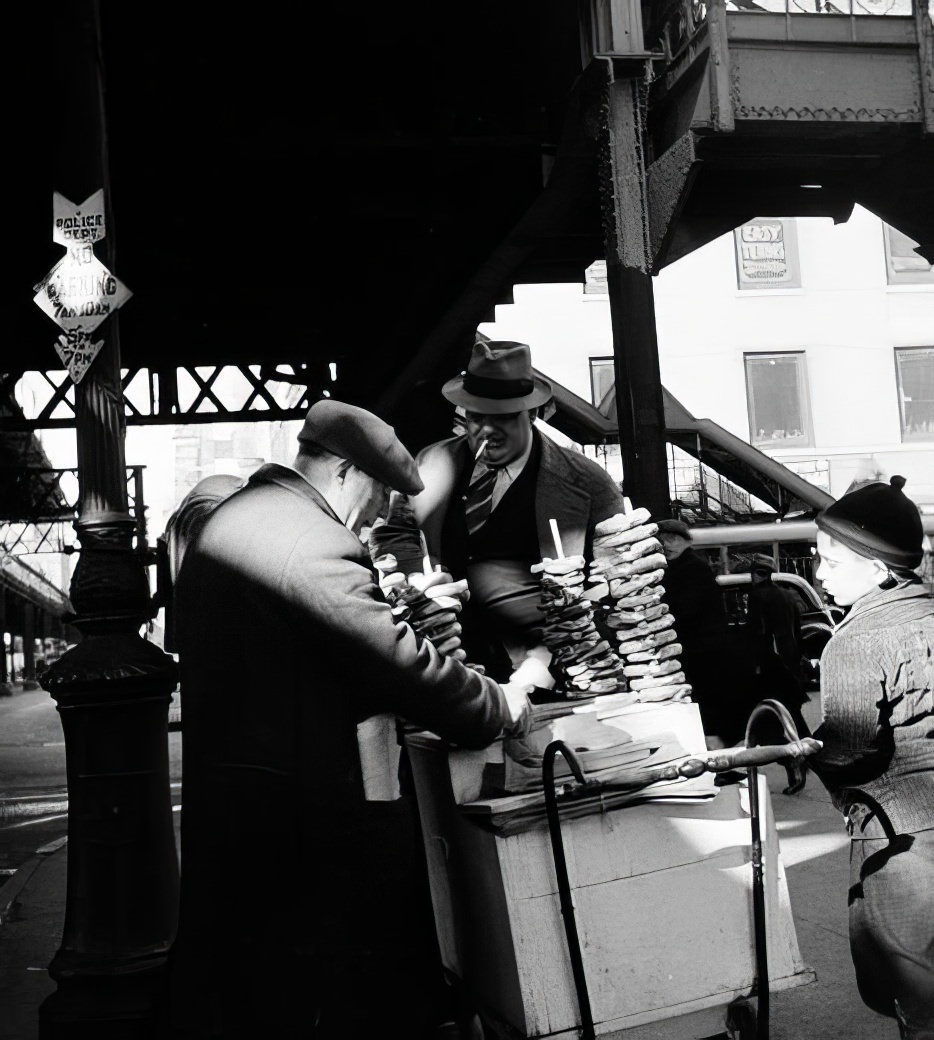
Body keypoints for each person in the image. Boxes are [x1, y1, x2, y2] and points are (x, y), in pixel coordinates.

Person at [167, 399, 528, 1039]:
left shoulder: (239, 519)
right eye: (378, 497)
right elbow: (401, 667)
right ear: (342, 473)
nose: (375, 518)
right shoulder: (314, 544)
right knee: (313, 1004)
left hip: (237, 815)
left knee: (250, 997)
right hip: (295, 833)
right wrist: (499, 701)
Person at [413, 338, 626, 688]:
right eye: (477, 417)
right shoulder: (431, 464)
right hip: (452, 671)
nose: (487, 431)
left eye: (503, 418)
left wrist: (547, 659)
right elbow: (396, 538)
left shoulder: (588, 483)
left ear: (533, 415)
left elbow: (618, 588)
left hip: (547, 675)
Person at [811, 475, 934, 1038]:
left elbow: (849, 750)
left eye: (832, 562)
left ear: (879, 568)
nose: (819, 573)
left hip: (900, 840)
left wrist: (814, 752)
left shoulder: (855, 642)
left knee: (917, 993)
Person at [655, 519, 745, 749]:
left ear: (686, 540)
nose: (667, 544)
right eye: (663, 539)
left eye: (673, 539)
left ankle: (723, 758)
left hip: (704, 652)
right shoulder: (677, 567)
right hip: (700, 650)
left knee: (710, 707)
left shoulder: (692, 567)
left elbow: (687, 610)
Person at [745, 553, 810, 743]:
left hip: (771, 660)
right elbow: (797, 630)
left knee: (778, 706)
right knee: (788, 706)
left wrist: (755, 662)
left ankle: (800, 747)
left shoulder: (757, 596)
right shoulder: (787, 595)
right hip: (789, 658)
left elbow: (759, 632)